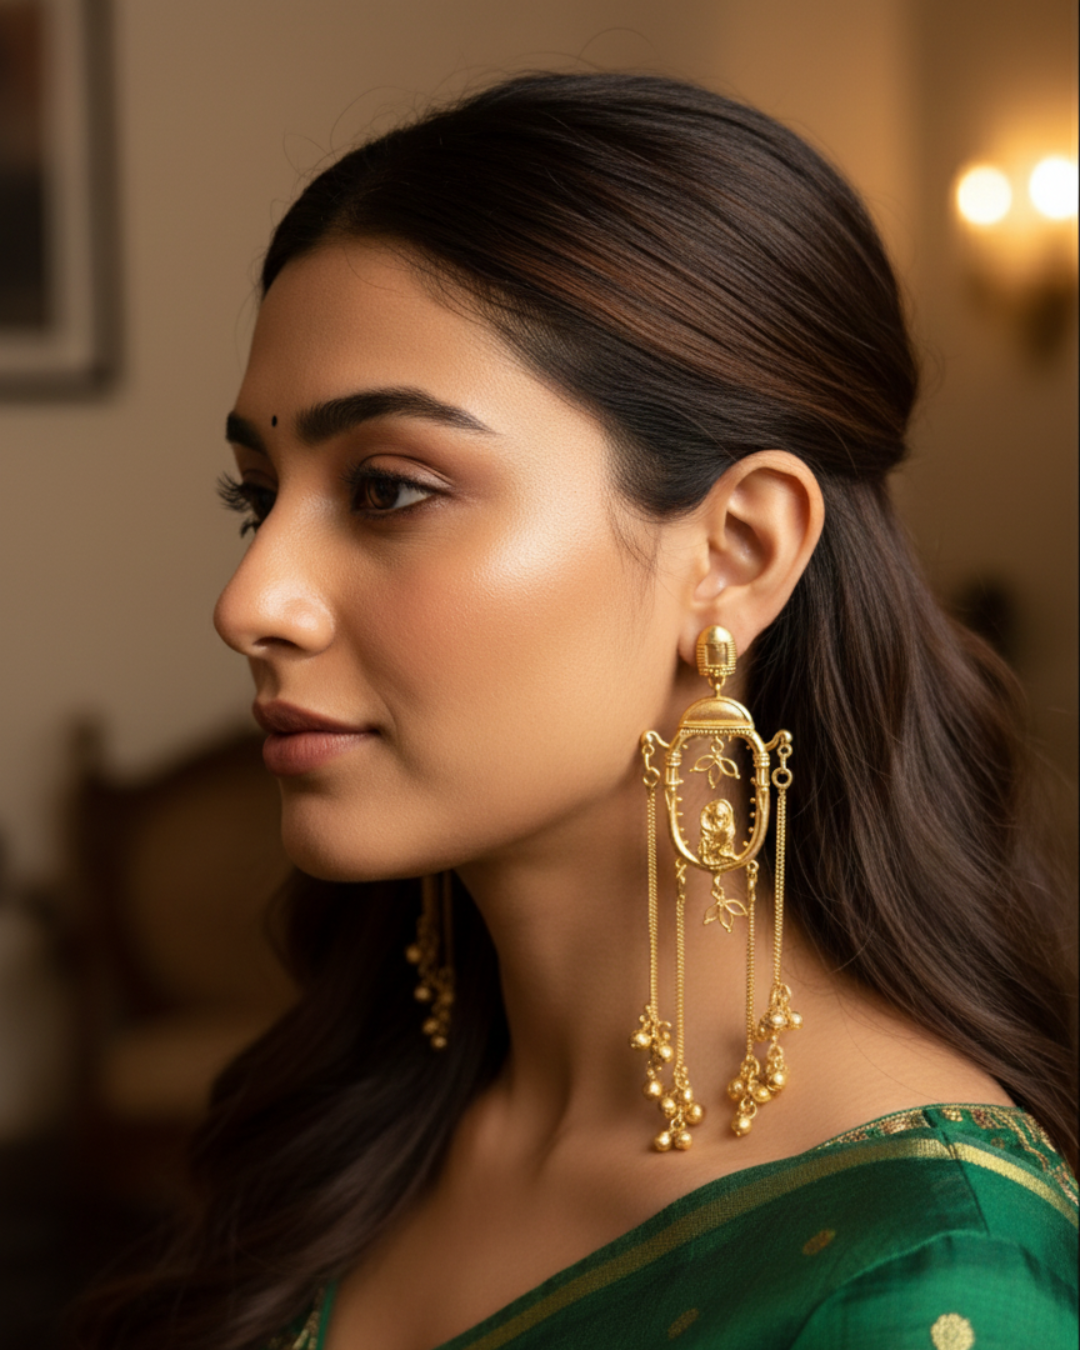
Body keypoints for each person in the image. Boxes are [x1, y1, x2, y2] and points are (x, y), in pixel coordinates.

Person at [75, 72, 1077, 1350]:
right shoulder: (370, 1121)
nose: (251, 598)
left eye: (386, 488)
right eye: (254, 499)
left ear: (735, 551)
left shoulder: (925, 1278)